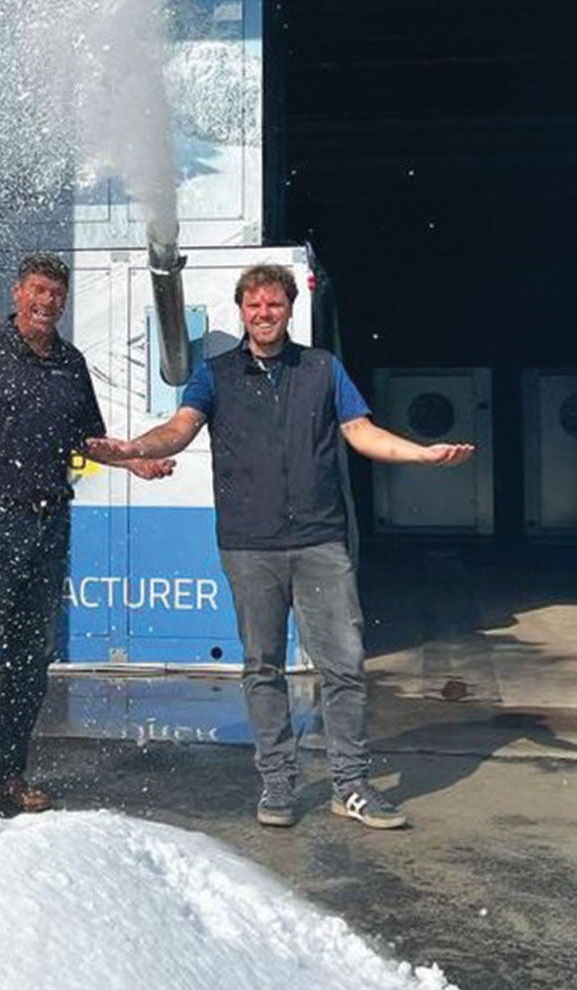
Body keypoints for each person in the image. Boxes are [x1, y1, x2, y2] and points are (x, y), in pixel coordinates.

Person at [87, 263, 473, 830]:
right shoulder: (214, 375)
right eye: (253, 305)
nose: (264, 314)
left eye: (274, 304)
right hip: (249, 545)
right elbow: (180, 429)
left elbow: (361, 432)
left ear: (290, 309)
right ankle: (277, 785)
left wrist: (421, 453)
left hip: (320, 540)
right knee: (262, 667)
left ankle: (350, 785)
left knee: (344, 666)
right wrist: (132, 448)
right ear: (241, 312)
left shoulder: (322, 368)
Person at [0, 252, 174, 836]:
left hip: (49, 525)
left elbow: (86, 439)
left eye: (57, 294)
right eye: (37, 290)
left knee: (30, 659)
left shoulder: (71, 363)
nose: (47, 302)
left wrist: (136, 463)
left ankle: (9, 777)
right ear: (18, 293)